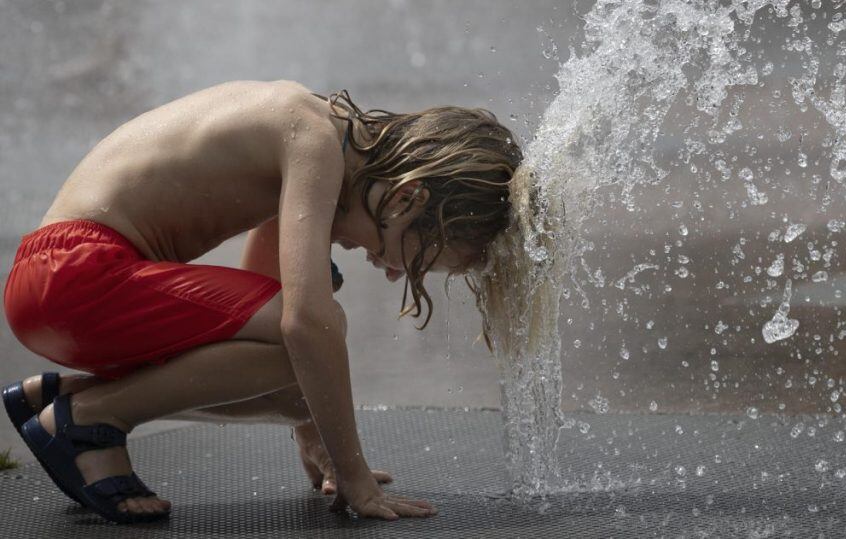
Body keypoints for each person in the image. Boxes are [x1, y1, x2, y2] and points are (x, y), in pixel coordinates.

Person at [1, 80, 521, 524]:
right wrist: (357, 479)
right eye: (408, 258)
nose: (388, 273)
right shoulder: (313, 138)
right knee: (318, 328)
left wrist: (318, 439)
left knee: (302, 385)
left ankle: (63, 399)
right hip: (73, 276)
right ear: (407, 197)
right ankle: (91, 417)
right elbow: (303, 324)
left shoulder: (319, 141)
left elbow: (261, 302)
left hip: (65, 284)